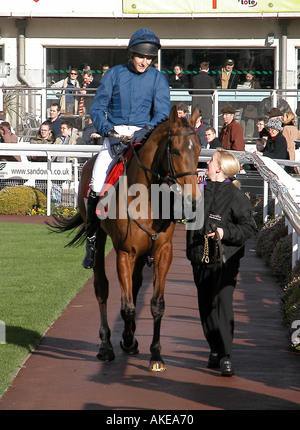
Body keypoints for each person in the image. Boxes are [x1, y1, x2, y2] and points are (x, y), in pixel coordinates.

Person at [83, 28, 171, 269]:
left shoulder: (158, 79)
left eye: (149, 58)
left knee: (165, 180)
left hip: (145, 135)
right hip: (115, 137)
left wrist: (144, 132)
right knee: (97, 183)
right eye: (140, 56)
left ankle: (159, 238)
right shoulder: (113, 75)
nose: (144, 61)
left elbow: (163, 112)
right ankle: (92, 242)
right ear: (131, 54)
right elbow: (97, 109)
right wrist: (109, 131)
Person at [186, 148, 257, 376]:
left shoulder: (235, 196)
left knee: (223, 303)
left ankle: (226, 355)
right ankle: (215, 349)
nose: (206, 164)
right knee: (206, 306)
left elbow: (249, 227)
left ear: (219, 168)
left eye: (211, 161)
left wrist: (223, 232)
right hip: (200, 257)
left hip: (225, 259)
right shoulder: (200, 191)